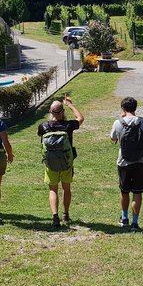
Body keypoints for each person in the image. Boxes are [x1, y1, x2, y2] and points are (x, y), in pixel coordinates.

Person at [110, 97, 143, 232]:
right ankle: (135, 223)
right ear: (135, 108)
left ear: (123, 108)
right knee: (137, 192)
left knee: (124, 191)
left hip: (123, 162)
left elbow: (113, 138)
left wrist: (121, 119)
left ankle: (124, 219)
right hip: (140, 162)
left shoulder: (118, 123)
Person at [37, 94, 84, 227]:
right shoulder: (68, 125)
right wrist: (69, 105)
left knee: (53, 189)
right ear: (62, 112)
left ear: (50, 111)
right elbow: (80, 118)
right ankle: (66, 215)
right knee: (66, 188)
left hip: (50, 163)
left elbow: (39, 135)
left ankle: (55, 216)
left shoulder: (43, 126)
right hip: (66, 163)